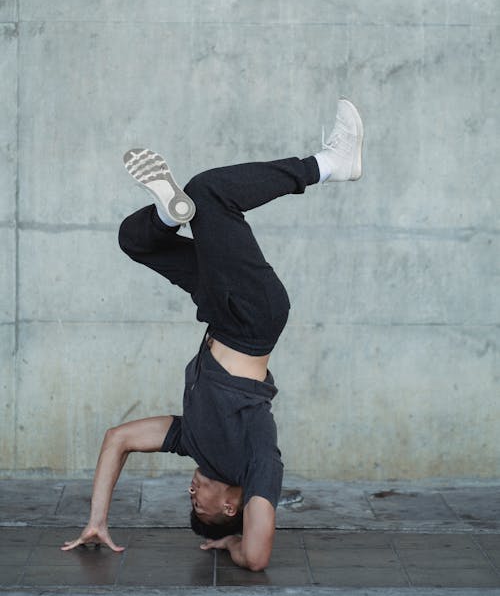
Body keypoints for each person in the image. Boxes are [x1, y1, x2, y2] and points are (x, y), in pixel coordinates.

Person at [61, 99, 363, 571]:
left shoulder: (193, 442)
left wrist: (97, 519)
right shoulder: (256, 462)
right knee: (211, 194)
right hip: (253, 318)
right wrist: (237, 546)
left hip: (220, 313)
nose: (191, 493)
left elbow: (116, 439)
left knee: (134, 239)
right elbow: (259, 556)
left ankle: (168, 213)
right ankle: (330, 164)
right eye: (197, 504)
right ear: (229, 507)